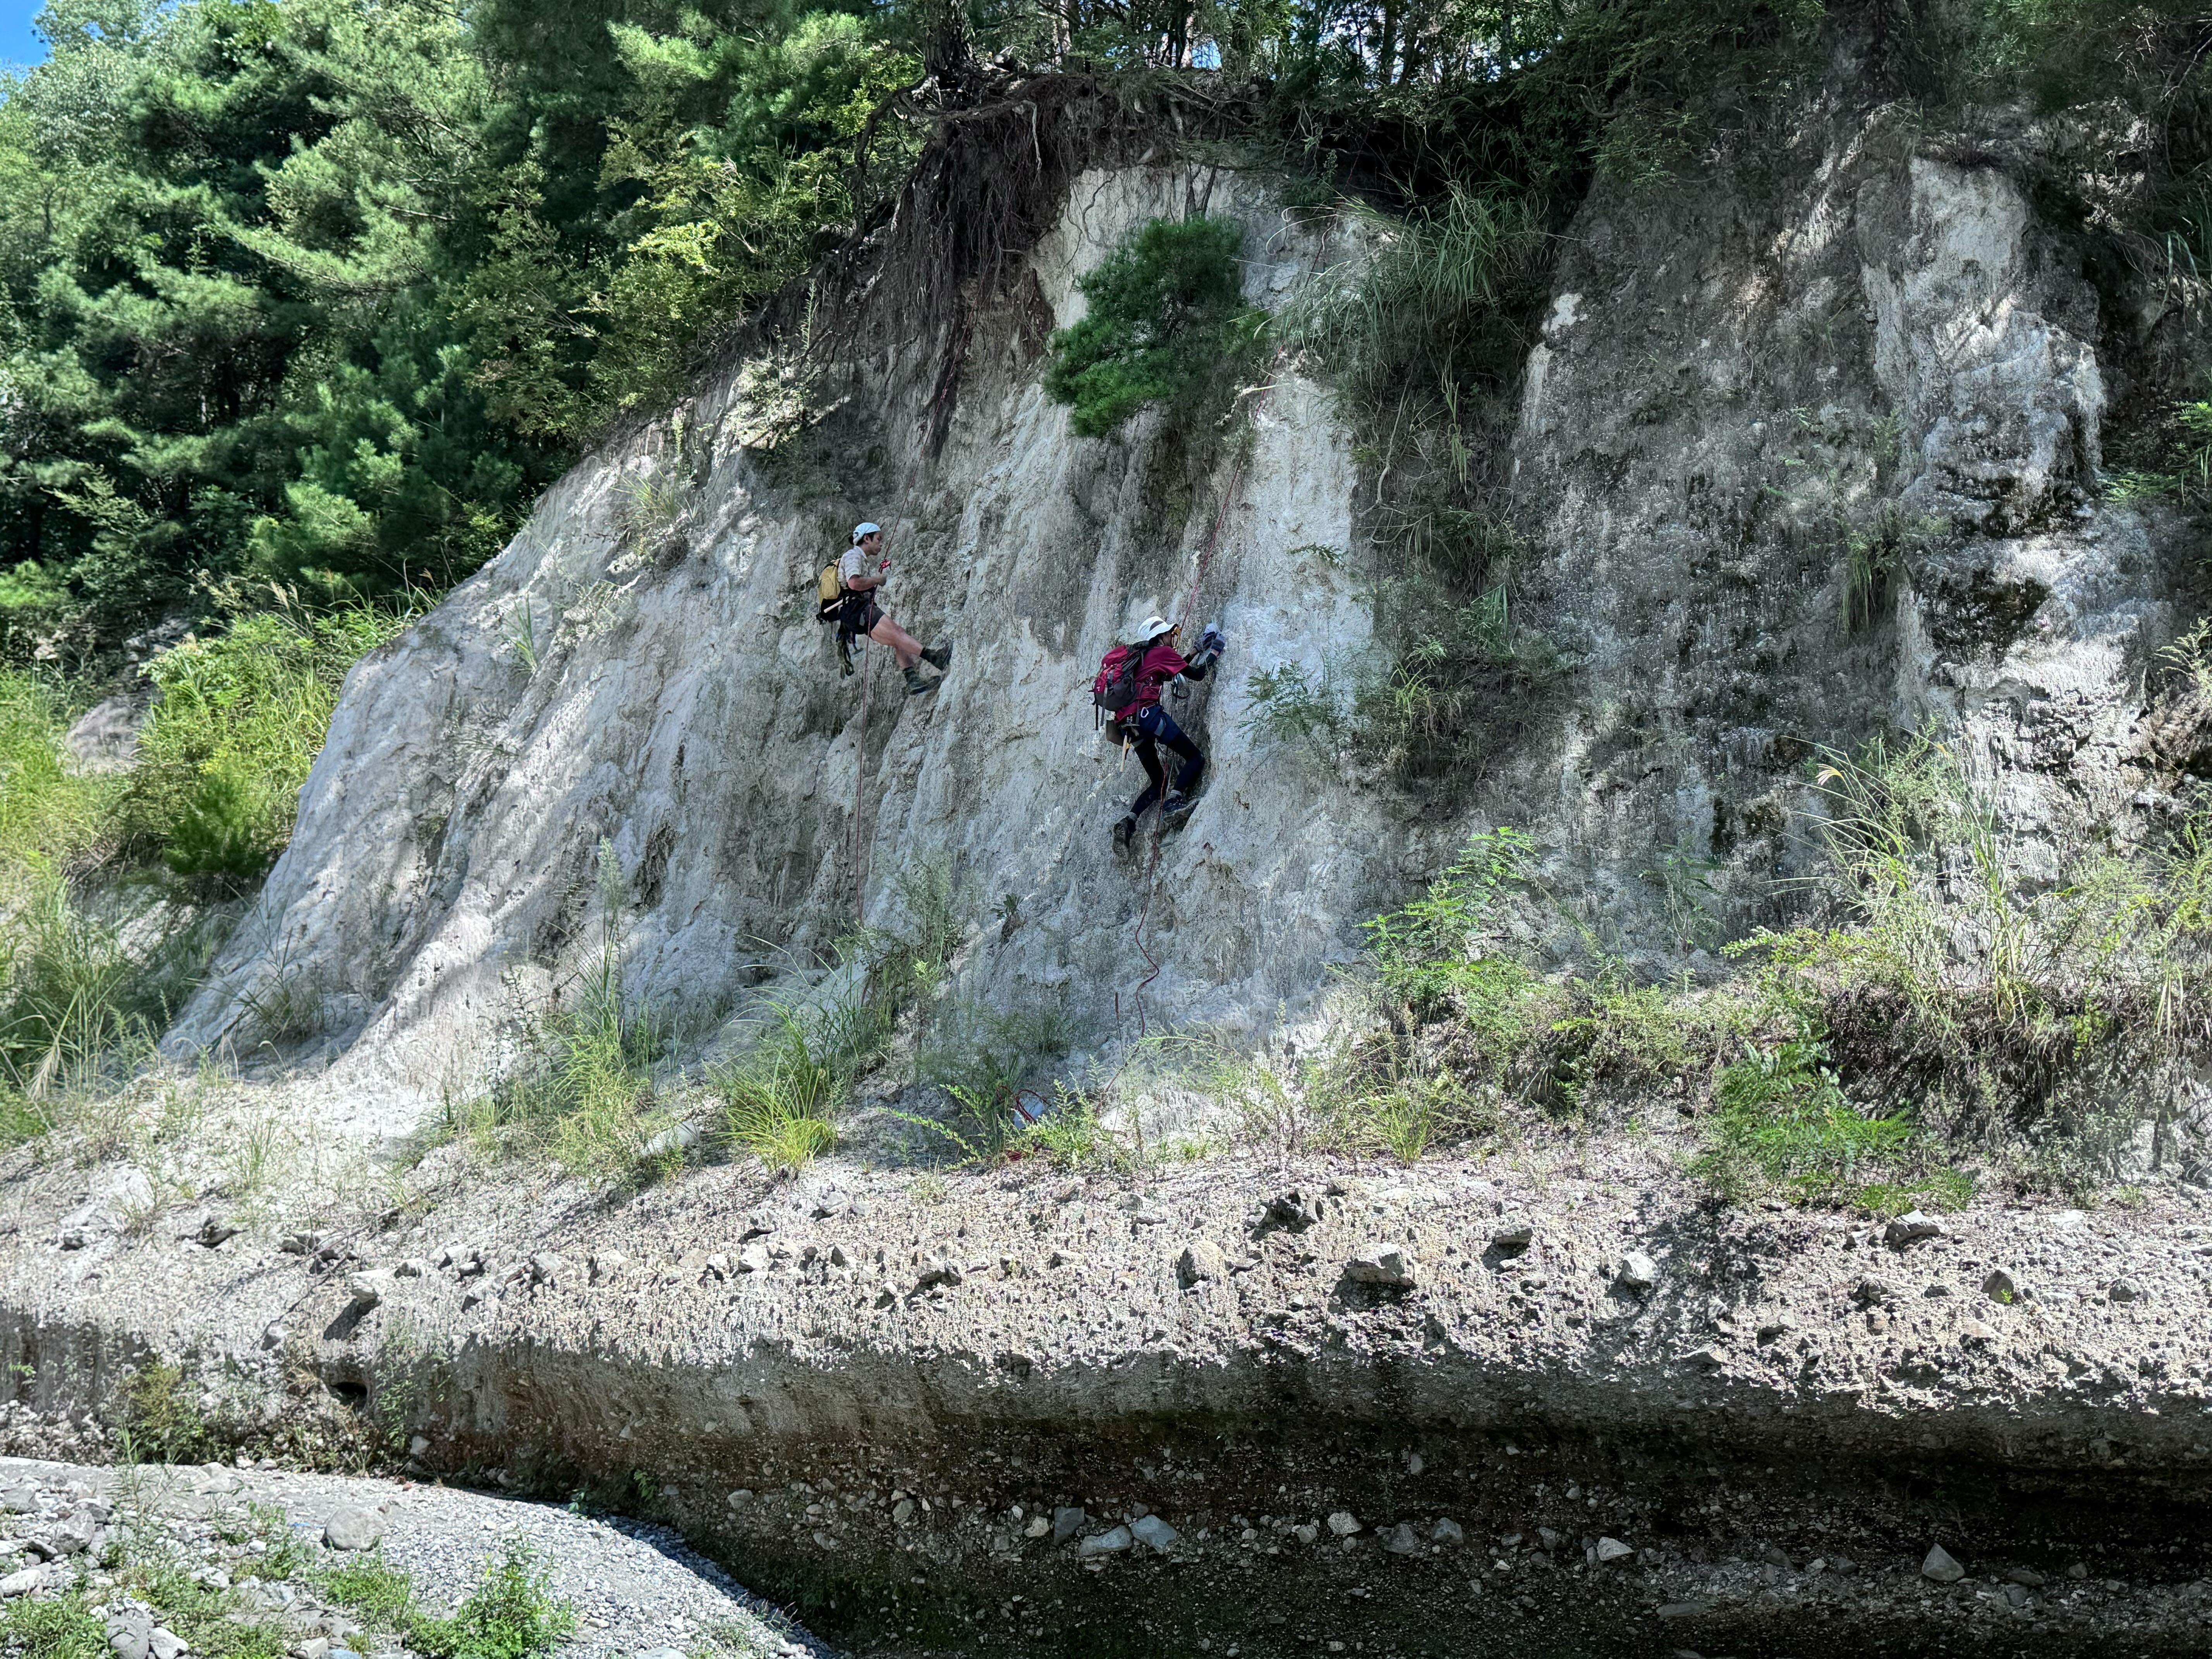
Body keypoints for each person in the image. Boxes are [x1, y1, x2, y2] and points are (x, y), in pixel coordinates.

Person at [1110, 615, 1226, 855]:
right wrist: (1215, 651)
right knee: (1196, 758)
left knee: (1158, 781)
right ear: (1160, 636)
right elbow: (1195, 675)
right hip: (1150, 717)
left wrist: (1195, 650)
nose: (1171, 638)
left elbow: (1168, 674)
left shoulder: (1137, 657)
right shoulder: (1162, 653)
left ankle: (1129, 821)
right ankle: (1174, 802)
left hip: (1129, 727)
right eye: (1169, 634)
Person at [838, 522, 951, 696]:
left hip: (853, 613)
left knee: (898, 637)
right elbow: (854, 583)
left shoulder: (858, 558)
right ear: (866, 538)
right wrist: (876, 580)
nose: (881, 544)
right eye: (878, 539)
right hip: (857, 608)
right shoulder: (854, 556)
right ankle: (936, 658)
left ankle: (913, 680)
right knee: (898, 633)